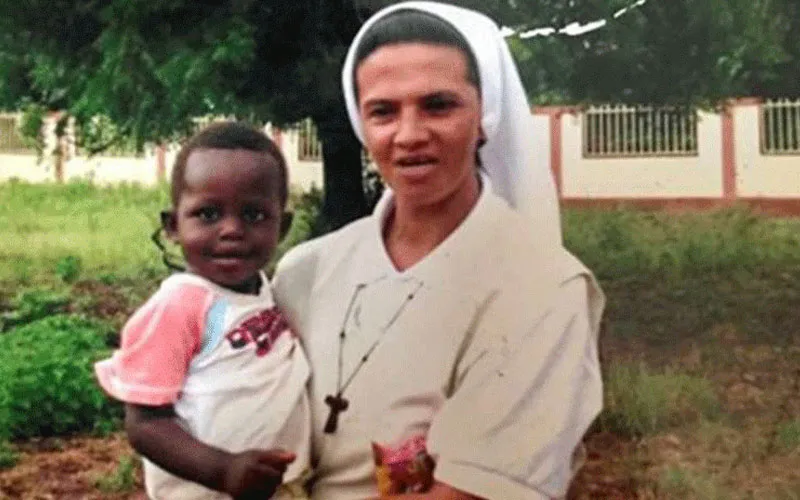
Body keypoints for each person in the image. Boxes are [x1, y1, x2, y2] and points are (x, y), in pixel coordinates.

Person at [272, 2, 605, 500]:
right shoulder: (304, 272)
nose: (409, 135)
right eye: (383, 111)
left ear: (485, 116)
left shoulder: (542, 290)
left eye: (438, 105)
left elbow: (469, 491)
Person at [95, 122, 312, 500]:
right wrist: (223, 470)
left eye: (254, 215)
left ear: (284, 226)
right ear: (172, 226)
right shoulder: (179, 306)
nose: (231, 230)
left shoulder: (268, 291)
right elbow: (145, 424)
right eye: (208, 214)